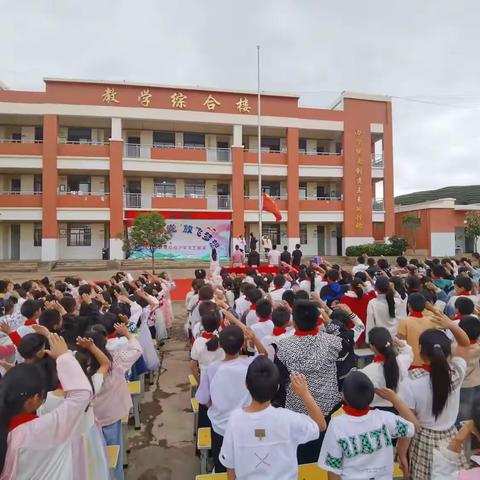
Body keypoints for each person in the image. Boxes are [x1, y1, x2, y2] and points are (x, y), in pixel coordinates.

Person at [0, 333, 93, 479]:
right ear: (33, 399)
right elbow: (81, 395)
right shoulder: (39, 429)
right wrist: (64, 356)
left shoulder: (9, 430)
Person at [219, 357, 326, 479]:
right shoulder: (288, 419)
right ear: (277, 388)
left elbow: (230, 466)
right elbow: (320, 425)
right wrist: (304, 393)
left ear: (246, 385)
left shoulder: (235, 421)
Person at [397, 313, 471, 479]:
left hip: (423, 439)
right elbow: (465, 343)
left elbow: (410, 423)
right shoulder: (456, 373)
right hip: (451, 438)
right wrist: (451, 325)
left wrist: (401, 453)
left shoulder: (409, 381)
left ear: (421, 349)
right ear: (447, 351)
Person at [274, 300, 343, 464]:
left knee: (300, 457)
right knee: (326, 453)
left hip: (297, 410)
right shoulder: (333, 342)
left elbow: (280, 382)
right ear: (318, 320)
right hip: (327, 408)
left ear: (294, 323)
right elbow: (347, 333)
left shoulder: (282, 346)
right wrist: (328, 321)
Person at [318, 371, 418, 480]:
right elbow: (415, 426)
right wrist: (394, 399)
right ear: (372, 394)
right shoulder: (384, 418)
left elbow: (333, 469)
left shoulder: (337, 425)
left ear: (343, 396)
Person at [195, 325, 267, 473]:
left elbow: (203, 399)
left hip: (220, 427)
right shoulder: (249, 364)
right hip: (246, 426)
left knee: (222, 463)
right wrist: (253, 337)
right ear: (242, 345)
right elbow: (264, 354)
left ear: (219, 345)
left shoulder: (212, 368)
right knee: (245, 462)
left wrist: (214, 408)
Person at [361, 327, 413, 409]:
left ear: (372, 347)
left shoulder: (367, 371)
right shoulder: (401, 362)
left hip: (376, 410)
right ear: (391, 342)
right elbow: (408, 352)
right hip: (399, 407)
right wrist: (396, 340)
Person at [396, 293, 438, 367]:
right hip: (428, 361)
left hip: (411, 361)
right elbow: (443, 318)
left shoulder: (404, 321)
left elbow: (401, 341)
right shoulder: (431, 320)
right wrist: (432, 308)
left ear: (409, 306)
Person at [456, 315, 480, 426]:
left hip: (462, 385)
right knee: (474, 413)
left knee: (461, 414)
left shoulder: (455, 348)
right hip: (477, 382)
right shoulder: (478, 347)